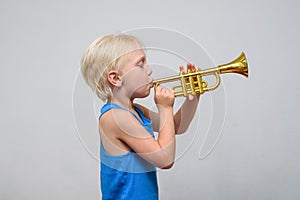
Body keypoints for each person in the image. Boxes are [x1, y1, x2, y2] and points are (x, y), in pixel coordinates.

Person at [81, 34, 200, 200]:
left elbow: (176, 126)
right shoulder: (115, 117)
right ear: (116, 78)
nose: (149, 70)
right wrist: (164, 107)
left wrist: (192, 99)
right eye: (141, 64)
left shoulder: (136, 111)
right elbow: (165, 159)